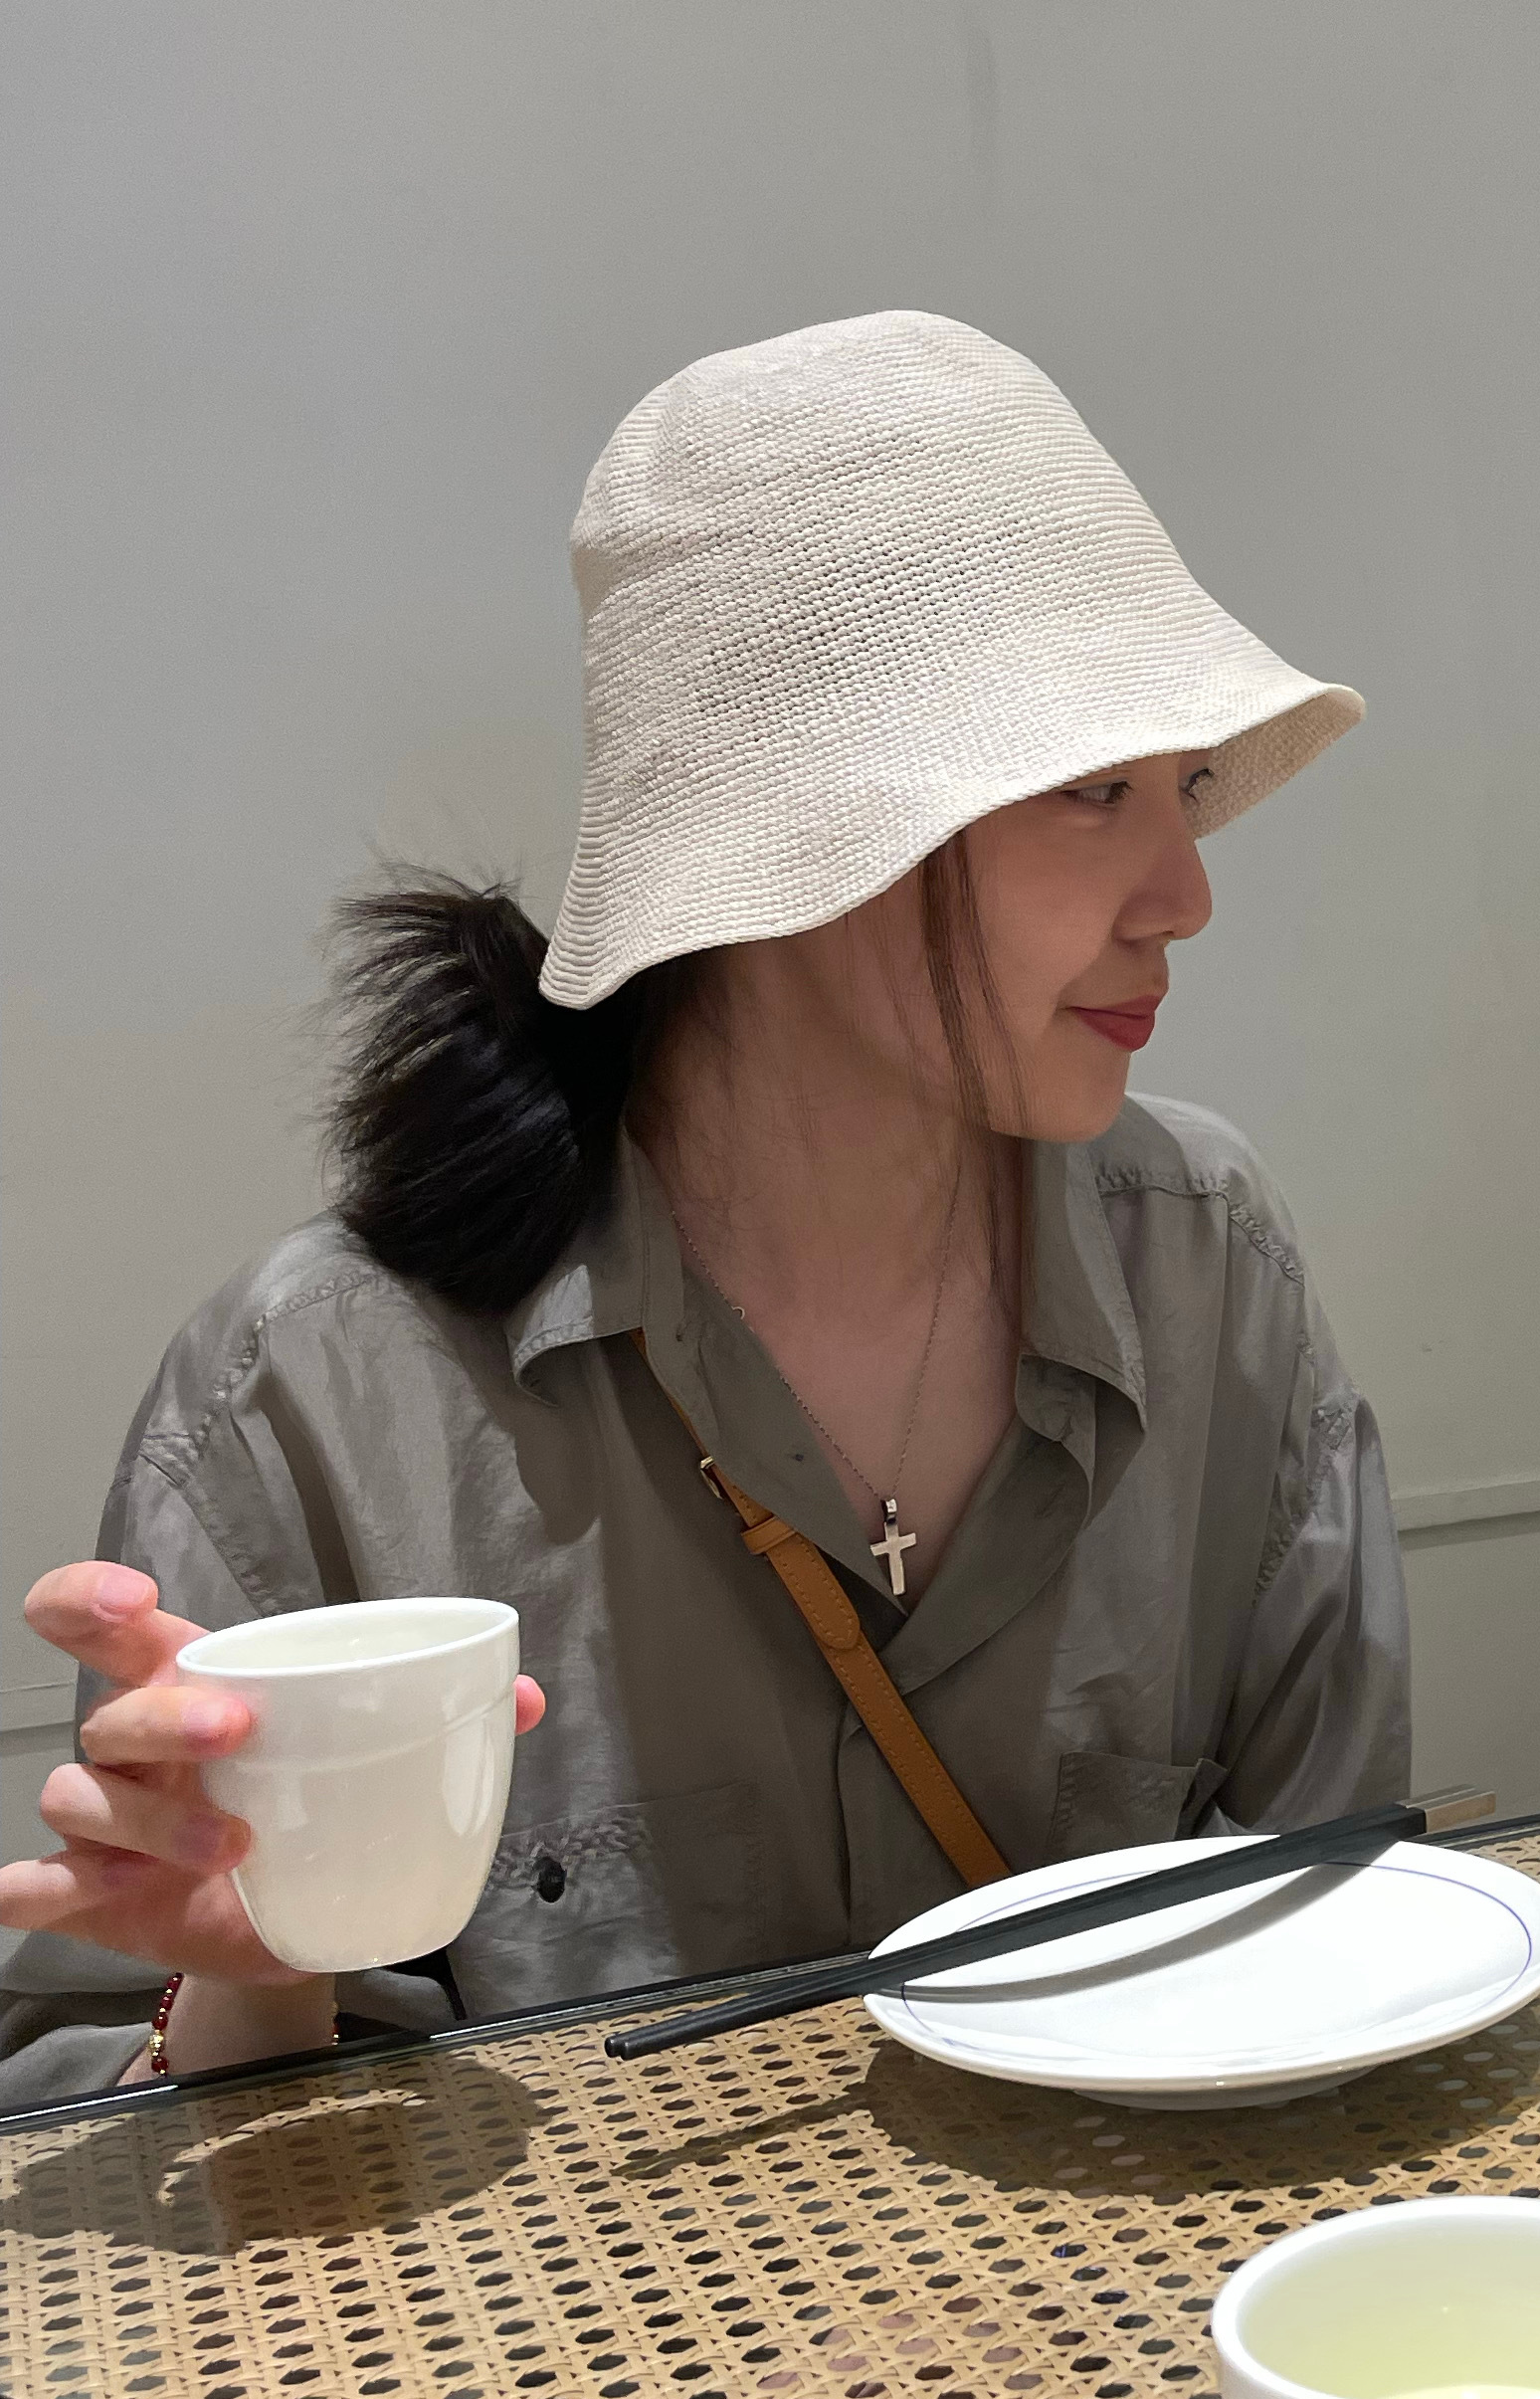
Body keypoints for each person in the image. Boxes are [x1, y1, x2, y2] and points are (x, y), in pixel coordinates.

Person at [3, 311, 1409, 2099]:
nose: (1184, 892)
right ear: (798, 835)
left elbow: (1348, 1917)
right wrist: (258, 1984)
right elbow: (100, 2166)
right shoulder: (322, 1399)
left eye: (1185, 787)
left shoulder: (1207, 1263)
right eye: (1090, 790)